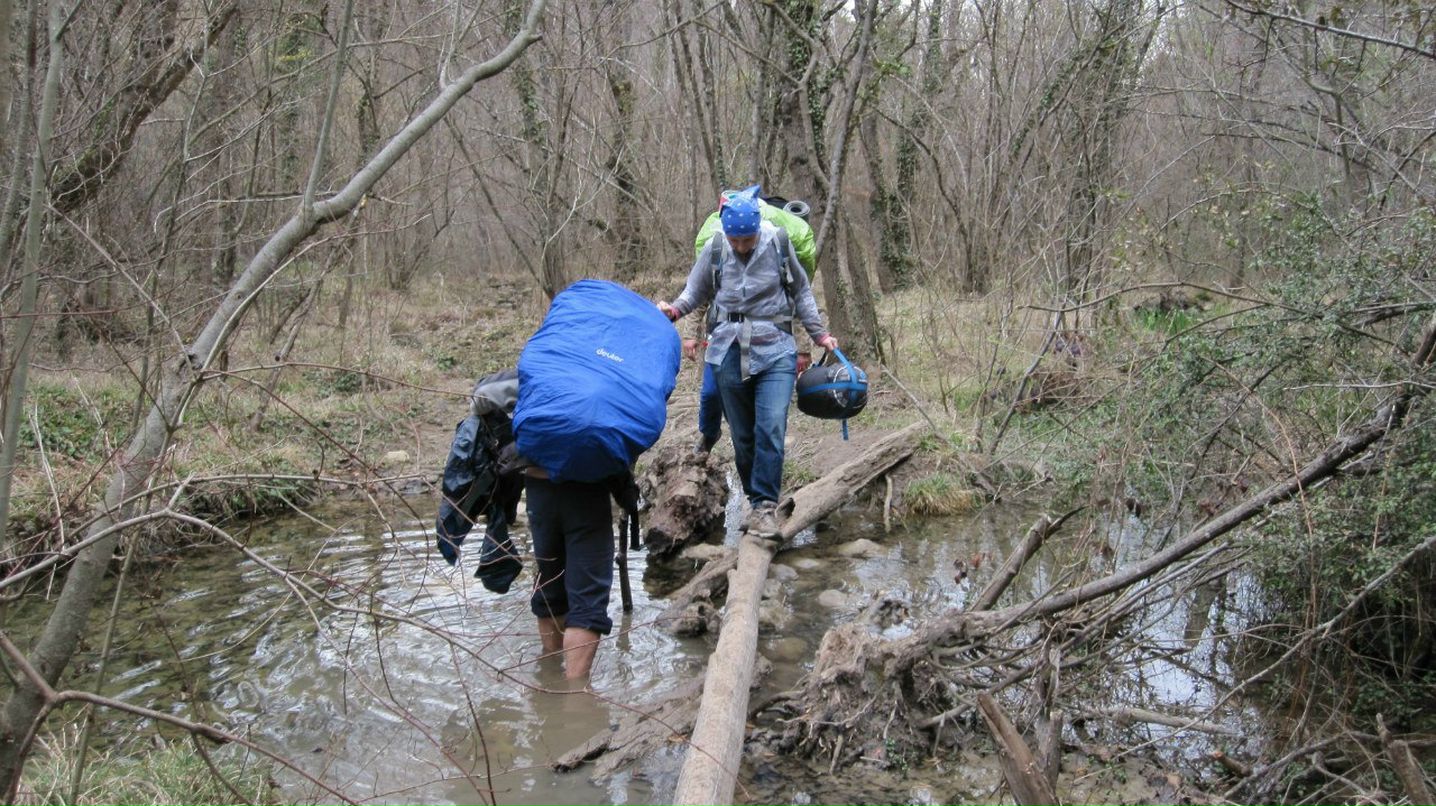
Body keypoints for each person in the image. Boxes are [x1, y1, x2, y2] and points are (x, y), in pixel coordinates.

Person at [659, 186, 838, 540]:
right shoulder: (715, 248)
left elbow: (801, 292)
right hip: (727, 351)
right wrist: (674, 311)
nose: (741, 246)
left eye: (747, 239)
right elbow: (694, 292)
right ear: (726, 232)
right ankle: (755, 498)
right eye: (735, 240)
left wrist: (818, 334)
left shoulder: (779, 244)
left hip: (776, 350)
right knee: (742, 438)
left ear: (758, 229)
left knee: (770, 427)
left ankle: (764, 508)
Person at [688, 190, 817, 455]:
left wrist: (803, 347)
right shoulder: (717, 252)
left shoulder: (774, 254)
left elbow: (798, 299)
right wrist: (690, 334)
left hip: (769, 340)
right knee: (711, 394)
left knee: (761, 402)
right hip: (724, 338)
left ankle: (762, 460)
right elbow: (700, 296)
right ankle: (708, 436)